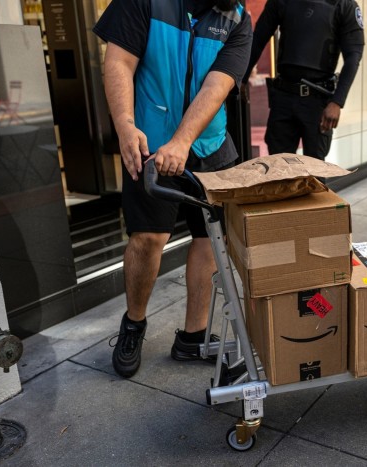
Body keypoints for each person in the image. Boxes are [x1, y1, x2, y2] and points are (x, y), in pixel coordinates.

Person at [92, 0, 252, 378]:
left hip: (209, 147)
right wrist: (125, 126)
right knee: (148, 239)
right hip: (151, 143)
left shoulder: (237, 18)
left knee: (209, 240)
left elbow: (218, 85)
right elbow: (119, 63)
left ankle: (193, 336)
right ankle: (134, 324)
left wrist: (183, 141)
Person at [244, 0, 365, 160]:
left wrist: (337, 102)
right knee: (278, 168)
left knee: (315, 173)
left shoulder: (344, 5)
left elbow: (353, 57)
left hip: (318, 102)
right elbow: (258, 40)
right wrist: (241, 79)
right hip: (284, 97)